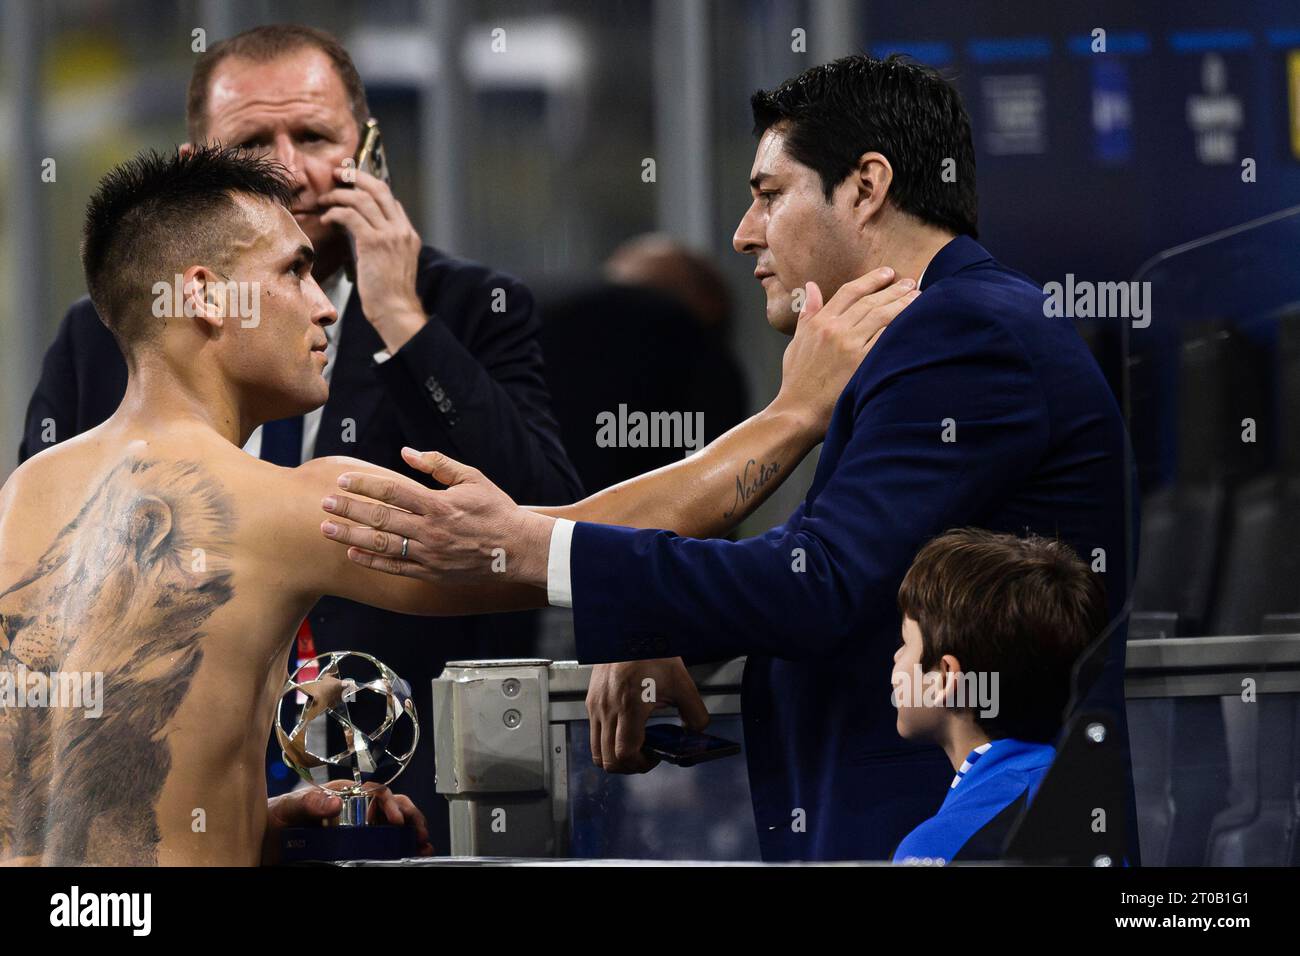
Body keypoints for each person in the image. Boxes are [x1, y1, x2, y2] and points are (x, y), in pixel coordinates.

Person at [320, 54, 1139, 863]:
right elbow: (851, 578)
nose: (744, 234)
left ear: (866, 186)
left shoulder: (966, 333)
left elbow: (815, 584)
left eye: (769, 195)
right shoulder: (927, 334)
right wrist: (658, 616)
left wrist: (539, 548)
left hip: (969, 835)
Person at [0, 146, 912, 865]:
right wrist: (798, 410)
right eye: (293, 274)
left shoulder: (27, 495)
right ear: (203, 293)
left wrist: (250, 822)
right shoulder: (285, 506)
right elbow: (565, 543)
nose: (323, 309)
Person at [16, 24, 582, 827]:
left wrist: (404, 325)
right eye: (252, 144)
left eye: (314, 136)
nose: (289, 170)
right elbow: (61, 593)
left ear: (368, 151)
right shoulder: (103, 333)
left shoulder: (467, 308)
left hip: (428, 784)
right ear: (198, 169)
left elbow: (538, 525)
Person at [889, 529, 1108, 863]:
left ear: (946, 678)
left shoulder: (932, 849)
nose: (896, 658)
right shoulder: (1084, 802)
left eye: (906, 642)